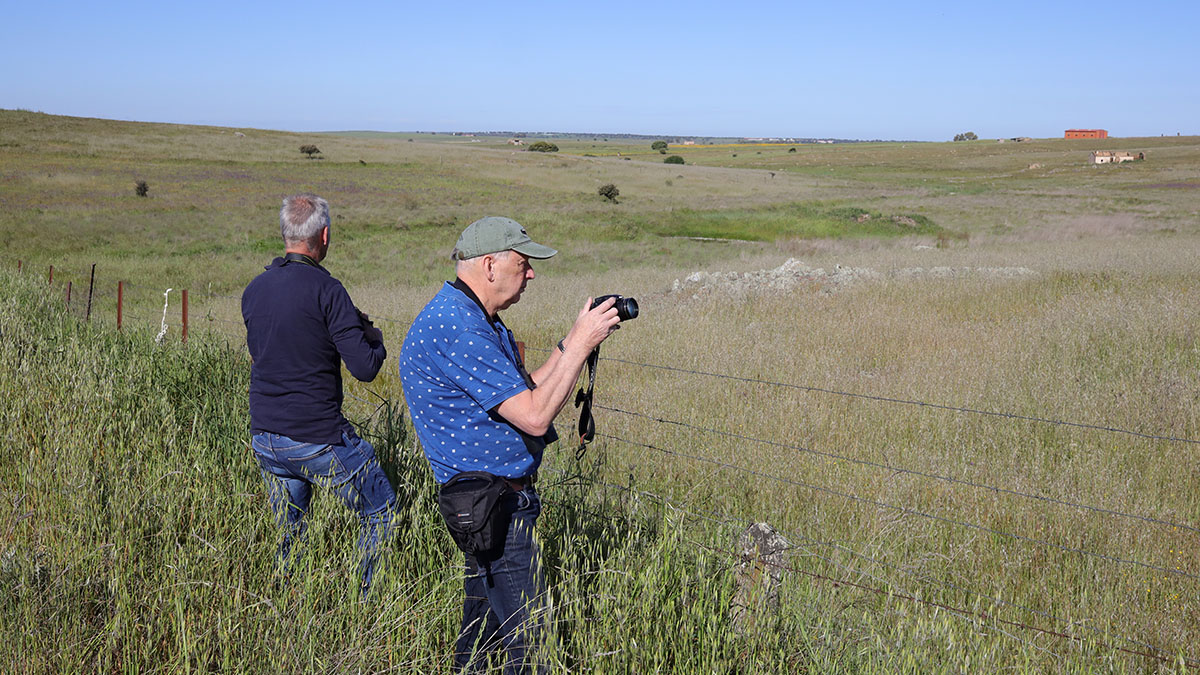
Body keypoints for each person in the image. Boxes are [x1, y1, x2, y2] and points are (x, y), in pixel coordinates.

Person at [398, 216, 620, 672]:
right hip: (494, 504)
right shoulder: (460, 328)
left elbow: (523, 393)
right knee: (533, 645)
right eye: (524, 263)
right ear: (491, 266)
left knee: (482, 637)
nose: (532, 274)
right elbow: (536, 416)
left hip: (483, 503)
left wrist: (568, 343)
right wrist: (580, 345)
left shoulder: (473, 316)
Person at [241, 193, 397, 597]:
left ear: (286, 234)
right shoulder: (328, 291)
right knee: (381, 509)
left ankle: (286, 601)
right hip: (316, 437)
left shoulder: (255, 289)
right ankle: (365, 605)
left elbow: (273, 350)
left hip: (266, 437)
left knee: (290, 528)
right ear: (323, 236)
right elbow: (365, 368)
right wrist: (373, 338)